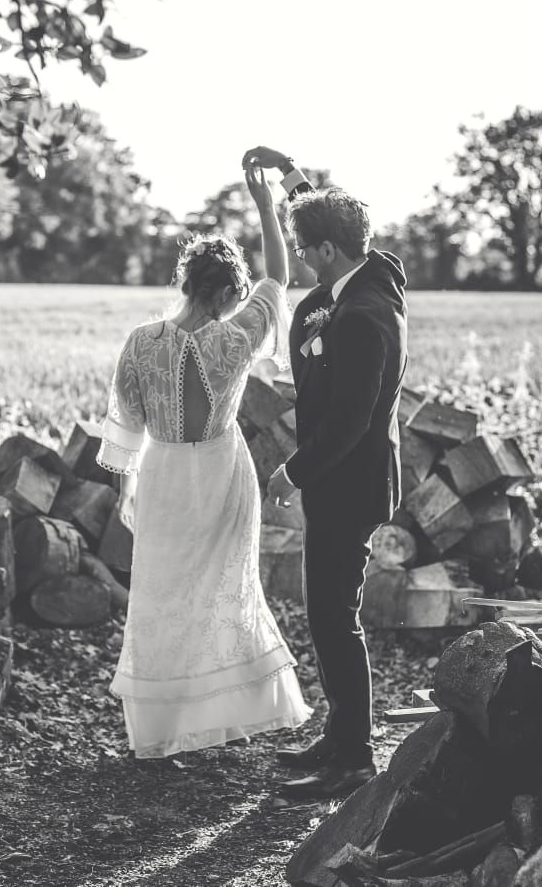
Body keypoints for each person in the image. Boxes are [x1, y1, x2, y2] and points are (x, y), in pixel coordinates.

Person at [96, 166, 311, 759]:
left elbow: (128, 423)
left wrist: (127, 488)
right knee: (222, 590)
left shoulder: (141, 341)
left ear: (188, 283)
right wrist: (265, 204)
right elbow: (279, 275)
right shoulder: (235, 337)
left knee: (162, 595)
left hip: (163, 474)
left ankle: (164, 727)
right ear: (223, 295)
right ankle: (218, 713)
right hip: (220, 474)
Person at [242, 145, 409, 800]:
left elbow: (349, 418)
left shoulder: (364, 316)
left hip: (349, 481)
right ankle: (341, 736)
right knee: (327, 613)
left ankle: (354, 759)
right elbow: (332, 223)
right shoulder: (376, 270)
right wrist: (290, 176)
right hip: (344, 478)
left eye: (303, 249)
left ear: (329, 253)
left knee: (333, 617)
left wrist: (293, 471)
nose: (300, 258)